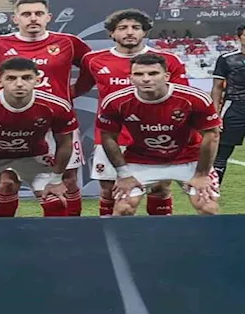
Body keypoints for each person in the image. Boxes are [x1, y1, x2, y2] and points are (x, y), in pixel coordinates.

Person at [0, 0, 91, 217]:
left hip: (57, 123)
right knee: (7, 182)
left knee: (68, 180)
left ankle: (71, 229)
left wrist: (74, 92)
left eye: (38, 13)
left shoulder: (68, 42)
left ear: (49, 17)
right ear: (16, 18)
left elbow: (92, 66)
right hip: (13, 124)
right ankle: (2, 231)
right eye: (26, 14)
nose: (33, 18)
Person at [74, 9, 189, 216]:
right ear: (112, 33)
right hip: (111, 136)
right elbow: (78, 89)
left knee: (159, 188)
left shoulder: (167, 60)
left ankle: (159, 231)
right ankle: (109, 233)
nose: (129, 32)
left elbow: (184, 98)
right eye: (122, 28)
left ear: (144, 32)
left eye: (136, 27)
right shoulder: (93, 60)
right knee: (109, 191)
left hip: (154, 135)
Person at [97, 53, 221, 216]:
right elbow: (108, 137)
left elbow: (212, 135)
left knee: (207, 207)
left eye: (153, 73)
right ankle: (123, 235)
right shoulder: (115, 101)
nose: (146, 79)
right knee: (123, 208)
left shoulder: (194, 98)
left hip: (189, 158)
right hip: (141, 160)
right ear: (131, 78)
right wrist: (124, 174)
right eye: (139, 74)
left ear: (166, 76)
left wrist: (202, 175)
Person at [0, 58, 77, 218]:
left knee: (56, 201)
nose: (19, 84)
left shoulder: (57, 105)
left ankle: (56, 235)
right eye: (11, 78)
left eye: (26, 78)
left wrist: (57, 179)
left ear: (38, 80)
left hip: (33, 156)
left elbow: (65, 143)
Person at [211, 24, 245, 185]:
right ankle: (213, 189)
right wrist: (215, 115)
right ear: (238, 37)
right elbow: (217, 88)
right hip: (234, 108)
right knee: (222, 152)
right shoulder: (226, 59)